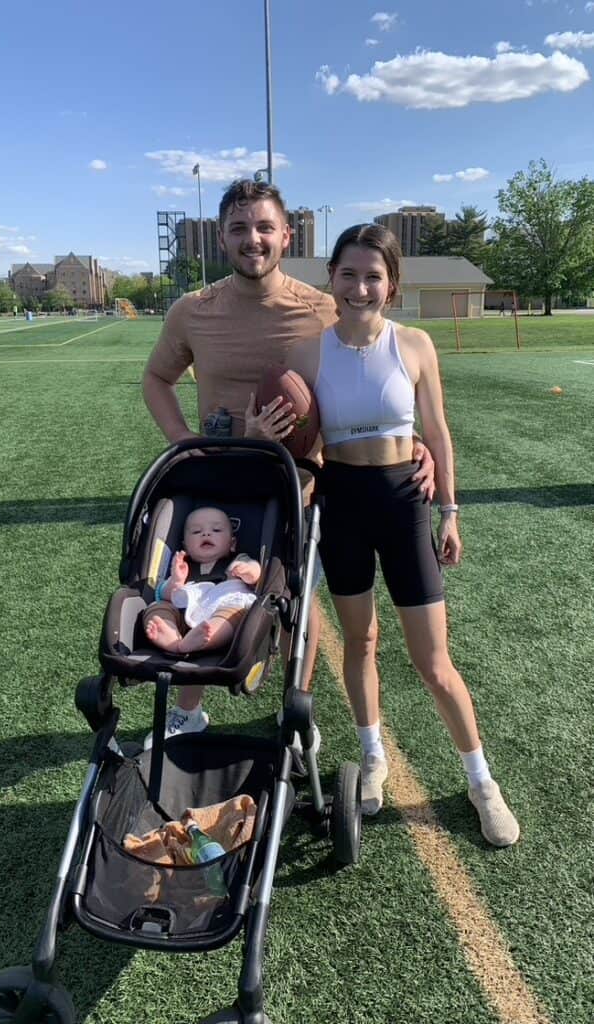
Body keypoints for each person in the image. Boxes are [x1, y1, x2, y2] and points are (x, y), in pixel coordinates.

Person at [142, 179, 434, 745]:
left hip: (300, 484)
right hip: (221, 481)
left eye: (264, 227)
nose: (252, 239)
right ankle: (188, 711)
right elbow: (156, 379)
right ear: (221, 238)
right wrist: (184, 440)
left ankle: (296, 713)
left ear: (285, 234)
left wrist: (410, 440)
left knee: (295, 598)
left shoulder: (324, 307)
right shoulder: (192, 311)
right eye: (238, 228)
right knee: (202, 585)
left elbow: (375, 375)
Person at [286, 223, 519, 847]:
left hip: (405, 503)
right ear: (330, 278)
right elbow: (298, 441)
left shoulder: (414, 344)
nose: (360, 287)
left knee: (433, 660)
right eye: (349, 274)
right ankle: (373, 756)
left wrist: (449, 509)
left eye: (374, 276)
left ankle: (481, 781)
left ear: (391, 283)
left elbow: (437, 434)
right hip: (342, 505)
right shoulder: (309, 353)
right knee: (360, 642)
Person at [143, 506, 261, 656]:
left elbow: (257, 573)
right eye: (196, 531)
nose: (206, 533)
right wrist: (176, 581)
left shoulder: (237, 561)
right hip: (183, 617)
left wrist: (248, 571)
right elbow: (163, 594)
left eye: (216, 530)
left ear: (232, 544)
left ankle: (203, 639)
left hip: (221, 611)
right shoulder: (182, 566)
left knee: (235, 612)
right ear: (185, 545)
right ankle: (173, 641)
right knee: (157, 607)